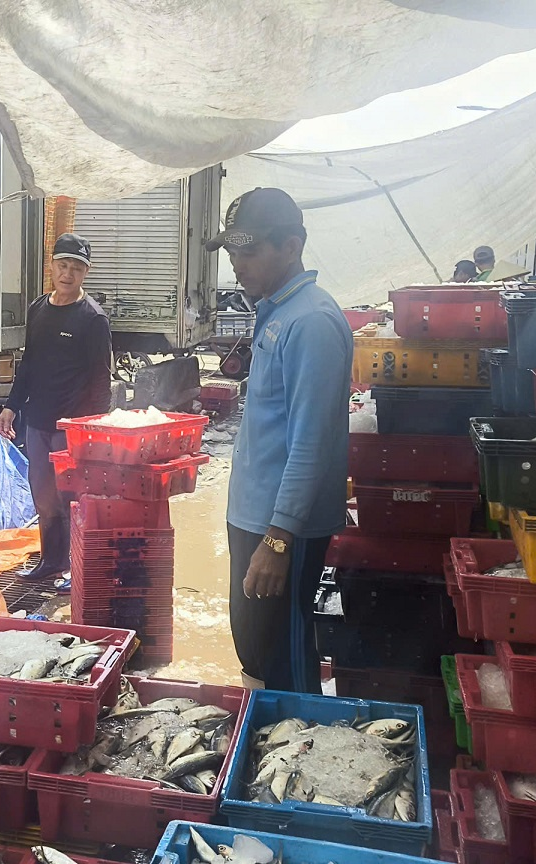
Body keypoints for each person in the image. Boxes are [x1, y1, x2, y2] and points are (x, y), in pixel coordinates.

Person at [205, 188, 352, 692]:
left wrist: (278, 539)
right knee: (256, 649)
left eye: (249, 251)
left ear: (291, 247)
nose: (237, 263)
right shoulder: (277, 309)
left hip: (281, 529)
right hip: (255, 517)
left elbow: (311, 444)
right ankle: (260, 726)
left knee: (285, 659)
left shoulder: (312, 322)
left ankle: (294, 733)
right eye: (232, 251)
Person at [0, 233, 113, 581]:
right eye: (63, 265)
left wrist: (95, 429)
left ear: (86, 272)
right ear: (52, 266)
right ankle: (52, 562)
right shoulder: (38, 308)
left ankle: (78, 570)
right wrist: (11, 406)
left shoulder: (93, 318)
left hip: (72, 428)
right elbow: (28, 363)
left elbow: (101, 379)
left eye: (76, 268)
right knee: (44, 497)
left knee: (73, 499)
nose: (68, 273)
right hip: (38, 423)